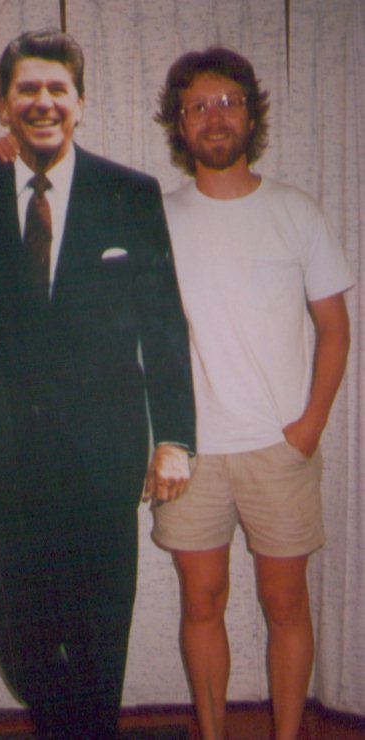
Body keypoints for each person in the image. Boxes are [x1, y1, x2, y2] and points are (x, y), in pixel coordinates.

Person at [0, 29, 195, 740]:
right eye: (27, 89)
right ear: (3, 104)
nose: (43, 102)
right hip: (5, 453)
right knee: (10, 621)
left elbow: (163, 325)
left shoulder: (130, 193)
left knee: (100, 628)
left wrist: (175, 438)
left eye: (57, 89)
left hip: (104, 452)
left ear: (81, 103)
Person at [152, 47, 353, 740]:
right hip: (191, 455)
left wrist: (310, 426)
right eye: (198, 106)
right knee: (201, 602)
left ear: (251, 114)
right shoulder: (155, 218)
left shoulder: (296, 211)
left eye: (228, 102)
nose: (215, 117)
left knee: (285, 604)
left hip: (279, 449)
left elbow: (335, 328)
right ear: (180, 124)